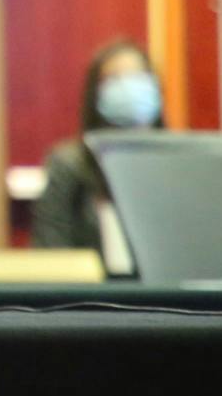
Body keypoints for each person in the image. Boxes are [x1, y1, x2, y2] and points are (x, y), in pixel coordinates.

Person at [32, 39, 162, 274]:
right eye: (115, 79)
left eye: (137, 77)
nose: (128, 88)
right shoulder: (70, 164)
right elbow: (51, 250)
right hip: (93, 296)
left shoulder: (175, 163)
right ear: (97, 92)